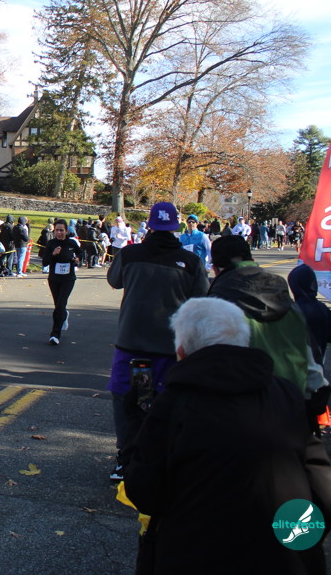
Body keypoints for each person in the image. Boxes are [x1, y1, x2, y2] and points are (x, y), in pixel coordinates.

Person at [124, 297, 331, 575]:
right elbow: (318, 484)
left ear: (182, 351)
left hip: (194, 555)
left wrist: (135, 427)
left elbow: (145, 492)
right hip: (285, 557)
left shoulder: (174, 404)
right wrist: (302, 543)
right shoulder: (287, 394)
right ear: (244, 340)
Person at [105, 202, 208, 481]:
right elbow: (202, 298)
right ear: (175, 227)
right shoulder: (191, 262)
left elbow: (114, 281)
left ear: (149, 225)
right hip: (170, 345)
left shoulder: (129, 254)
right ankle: (160, 455)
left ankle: (125, 456)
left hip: (131, 341)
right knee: (165, 400)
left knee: (126, 397)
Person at [208, 235, 329, 415]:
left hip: (239, 408)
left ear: (215, 269)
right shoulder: (289, 304)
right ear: (252, 260)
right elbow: (312, 361)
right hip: (291, 401)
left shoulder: (213, 306)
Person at [39, 220, 82, 345]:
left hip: (68, 279)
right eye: (57, 230)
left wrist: (77, 259)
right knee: (58, 305)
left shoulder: (71, 243)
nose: (59, 232)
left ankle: (55, 335)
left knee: (60, 306)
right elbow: (45, 262)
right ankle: (64, 315)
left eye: (61, 230)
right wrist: (53, 254)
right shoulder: (51, 244)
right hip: (54, 279)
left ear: (66, 231)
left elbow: (80, 254)